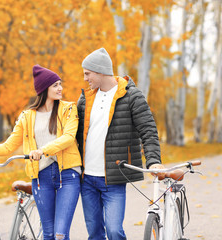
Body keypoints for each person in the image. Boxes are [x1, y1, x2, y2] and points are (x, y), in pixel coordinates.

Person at [0, 65, 82, 240]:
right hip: (41, 177)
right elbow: (8, 147)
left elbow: (68, 137)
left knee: (60, 234)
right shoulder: (27, 116)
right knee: (48, 234)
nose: (60, 88)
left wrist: (42, 151)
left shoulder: (68, 109)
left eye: (60, 84)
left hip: (67, 174)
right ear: (44, 89)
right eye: (55, 85)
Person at [76, 48, 164, 240]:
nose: (85, 78)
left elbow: (148, 129)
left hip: (113, 178)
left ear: (100, 71)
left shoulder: (131, 96)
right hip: (87, 178)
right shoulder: (86, 98)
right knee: (95, 233)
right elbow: (73, 133)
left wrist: (153, 160)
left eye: (87, 74)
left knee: (115, 231)